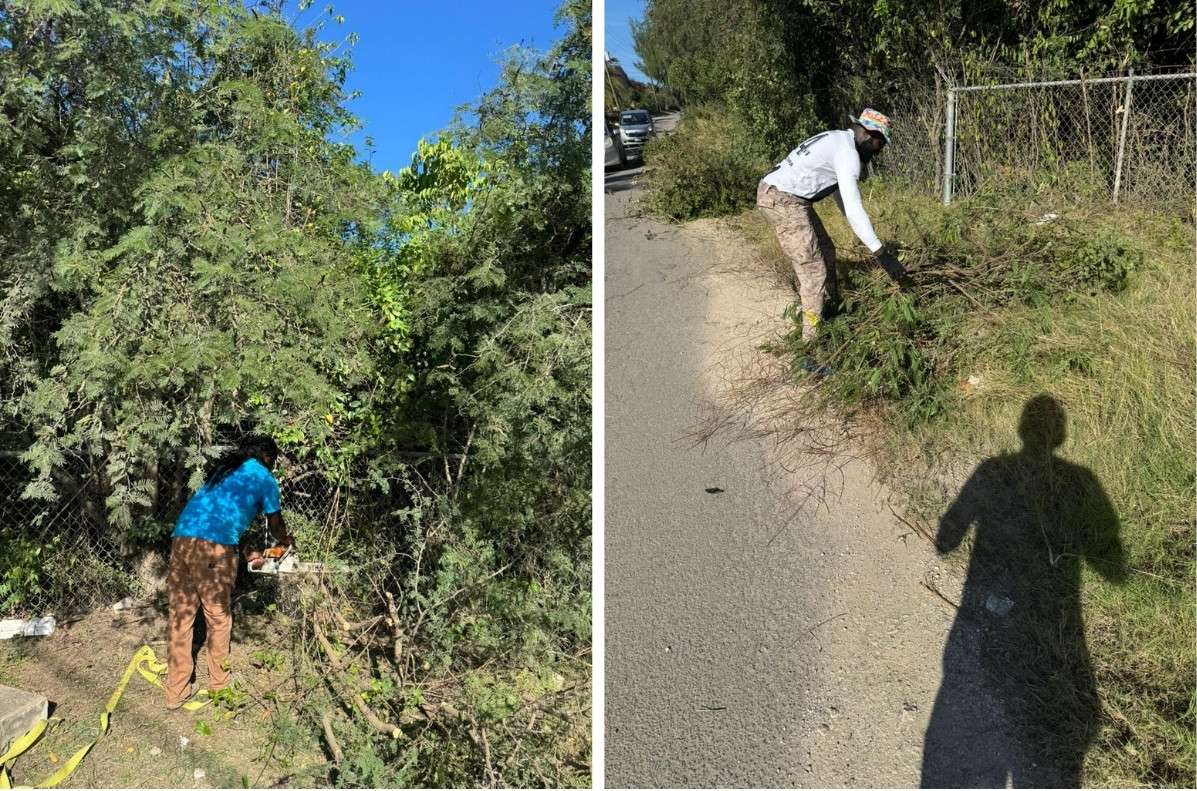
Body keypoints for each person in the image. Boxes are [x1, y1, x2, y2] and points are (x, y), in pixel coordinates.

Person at [164, 435, 292, 709]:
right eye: (273, 461)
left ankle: (176, 692)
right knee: (218, 618)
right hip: (214, 549)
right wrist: (285, 540)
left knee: (180, 617)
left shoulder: (223, 471)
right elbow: (275, 522)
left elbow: (220, 521)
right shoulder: (264, 478)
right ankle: (220, 687)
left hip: (181, 541)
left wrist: (246, 551)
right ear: (267, 457)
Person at [756, 108, 905, 342]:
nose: (879, 151)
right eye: (880, 143)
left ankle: (832, 308)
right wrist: (881, 253)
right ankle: (811, 343)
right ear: (868, 134)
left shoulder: (839, 139)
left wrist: (863, 232)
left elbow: (841, 197)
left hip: (790, 198)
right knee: (813, 271)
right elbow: (854, 209)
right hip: (782, 200)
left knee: (827, 251)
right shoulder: (848, 154)